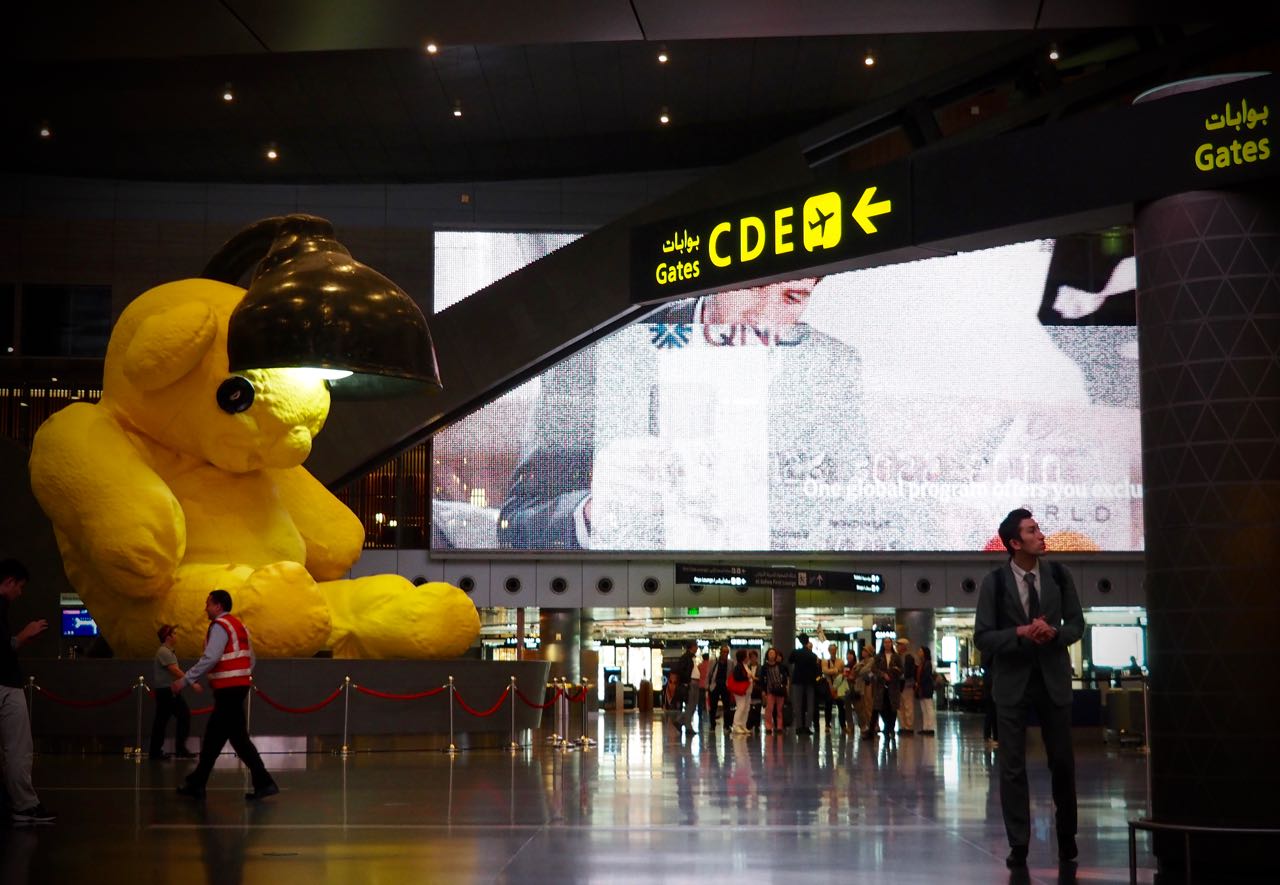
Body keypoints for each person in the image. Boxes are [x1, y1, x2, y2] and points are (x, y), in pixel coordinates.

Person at [496, 278, 905, 552]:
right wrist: (595, 511)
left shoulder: (832, 366)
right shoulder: (597, 350)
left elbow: (848, 511)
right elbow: (515, 527)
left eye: (792, 298)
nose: (761, 315)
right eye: (753, 285)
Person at [974, 508, 1084, 869]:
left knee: (1063, 762)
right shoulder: (996, 583)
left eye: (1039, 529)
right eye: (1032, 531)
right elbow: (983, 637)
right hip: (1012, 683)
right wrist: (1021, 632)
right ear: (1014, 543)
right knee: (1012, 767)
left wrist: (1055, 633)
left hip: (1052, 678)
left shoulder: (1058, 575)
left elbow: (1077, 625)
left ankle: (1067, 836)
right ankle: (1018, 843)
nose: (1040, 535)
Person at [173, 590, 278, 801]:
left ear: (218, 606)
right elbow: (251, 659)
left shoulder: (219, 627)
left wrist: (185, 679)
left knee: (219, 736)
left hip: (228, 690)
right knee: (231, 738)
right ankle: (200, 782)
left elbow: (210, 658)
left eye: (208, 604)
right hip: (238, 687)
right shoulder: (239, 626)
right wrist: (241, 675)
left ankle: (200, 783)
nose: (205, 608)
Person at [0, 560, 55, 825]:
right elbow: (3, 648)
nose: (19, 593)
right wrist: (24, 635)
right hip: (7, 685)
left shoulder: (3, 607)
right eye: (19, 587)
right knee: (19, 747)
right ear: (9, 582)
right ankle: (24, 805)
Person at [148, 624, 202, 760]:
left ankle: (159, 751)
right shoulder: (164, 652)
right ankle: (175, 749)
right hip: (166, 692)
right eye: (175, 633)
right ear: (168, 637)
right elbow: (175, 671)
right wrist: (192, 683)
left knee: (164, 720)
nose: (177, 636)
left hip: (167, 691)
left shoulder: (168, 651)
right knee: (179, 717)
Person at [788, 633, 820, 736]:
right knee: (810, 704)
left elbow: (790, 660)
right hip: (810, 682)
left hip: (798, 680)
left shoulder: (796, 653)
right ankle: (807, 727)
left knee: (798, 704)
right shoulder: (813, 655)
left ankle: (798, 727)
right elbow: (816, 669)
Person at [874, 637, 903, 739]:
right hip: (881, 686)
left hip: (893, 686)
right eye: (885, 642)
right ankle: (888, 726)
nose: (887, 644)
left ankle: (890, 728)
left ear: (891, 644)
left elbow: (901, 670)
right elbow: (874, 669)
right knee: (882, 707)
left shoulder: (896, 657)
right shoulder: (878, 657)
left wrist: (895, 671)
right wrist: (882, 674)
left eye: (889, 642)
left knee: (893, 708)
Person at [671, 640, 699, 734]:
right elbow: (681, 670)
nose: (697, 648)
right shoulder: (686, 658)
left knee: (692, 706)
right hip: (690, 683)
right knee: (690, 705)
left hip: (694, 683)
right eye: (696, 646)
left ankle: (679, 722)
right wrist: (686, 681)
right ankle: (688, 727)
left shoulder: (691, 658)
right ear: (692, 647)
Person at [759, 648, 789, 734]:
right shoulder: (764, 667)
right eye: (770, 653)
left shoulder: (780, 666)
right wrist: (763, 690)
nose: (772, 655)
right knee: (769, 709)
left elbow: (784, 677)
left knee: (779, 709)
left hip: (780, 690)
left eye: (773, 653)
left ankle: (779, 726)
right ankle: (768, 727)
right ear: (767, 655)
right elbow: (762, 680)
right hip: (770, 690)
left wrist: (784, 686)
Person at [705, 645, 731, 731]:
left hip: (725, 686)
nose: (725, 654)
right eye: (724, 652)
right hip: (715, 685)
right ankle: (712, 725)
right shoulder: (714, 662)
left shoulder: (730, 663)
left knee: (727, 706)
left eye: (727, 652)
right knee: (713, 707)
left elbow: (731, 674)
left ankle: (727, 725)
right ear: (720, 652)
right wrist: (707, 686)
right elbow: (709, 674)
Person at [728, 649, 753, 735]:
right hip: (740, 691)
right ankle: (736, 725)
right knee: (741, 707)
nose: (748, 657)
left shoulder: (746, 666)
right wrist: (747, 677)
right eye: (746, 655)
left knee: (746, 708)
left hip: (747, 691)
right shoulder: (738, 666)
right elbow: (737, 677)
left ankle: (743, 725)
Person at [854, 644, 877, 737]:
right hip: (861, 686)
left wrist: (861, 668)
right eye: (863, 650)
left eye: (865, 651)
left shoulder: (872, 661)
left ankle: (873, 726)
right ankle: (867, 726)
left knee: (869, 706)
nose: (863, 652)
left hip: (869, 685)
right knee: (863, 707)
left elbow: (863, 670)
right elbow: (856, 669)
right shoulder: (862, 661)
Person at [896, 637, 916, 735]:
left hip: (906, 685)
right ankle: (903, 726)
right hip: (899, 685)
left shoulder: (908, 657)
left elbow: (909, 672)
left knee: (908, 705)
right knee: (900, 707)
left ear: (904, 646)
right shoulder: (897, 657)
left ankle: (908, 726)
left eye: (899, 645)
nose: (897, 647)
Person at [916, 646, 937, 735]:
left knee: (928, 708)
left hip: (926, 688)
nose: (919, 652)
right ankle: (925, 727)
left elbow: (926, 676)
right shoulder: (922, 663)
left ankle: (930, 727)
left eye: (920, 651)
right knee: (924, 709)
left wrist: (919, 682)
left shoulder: (927, 663)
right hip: (922, 688)